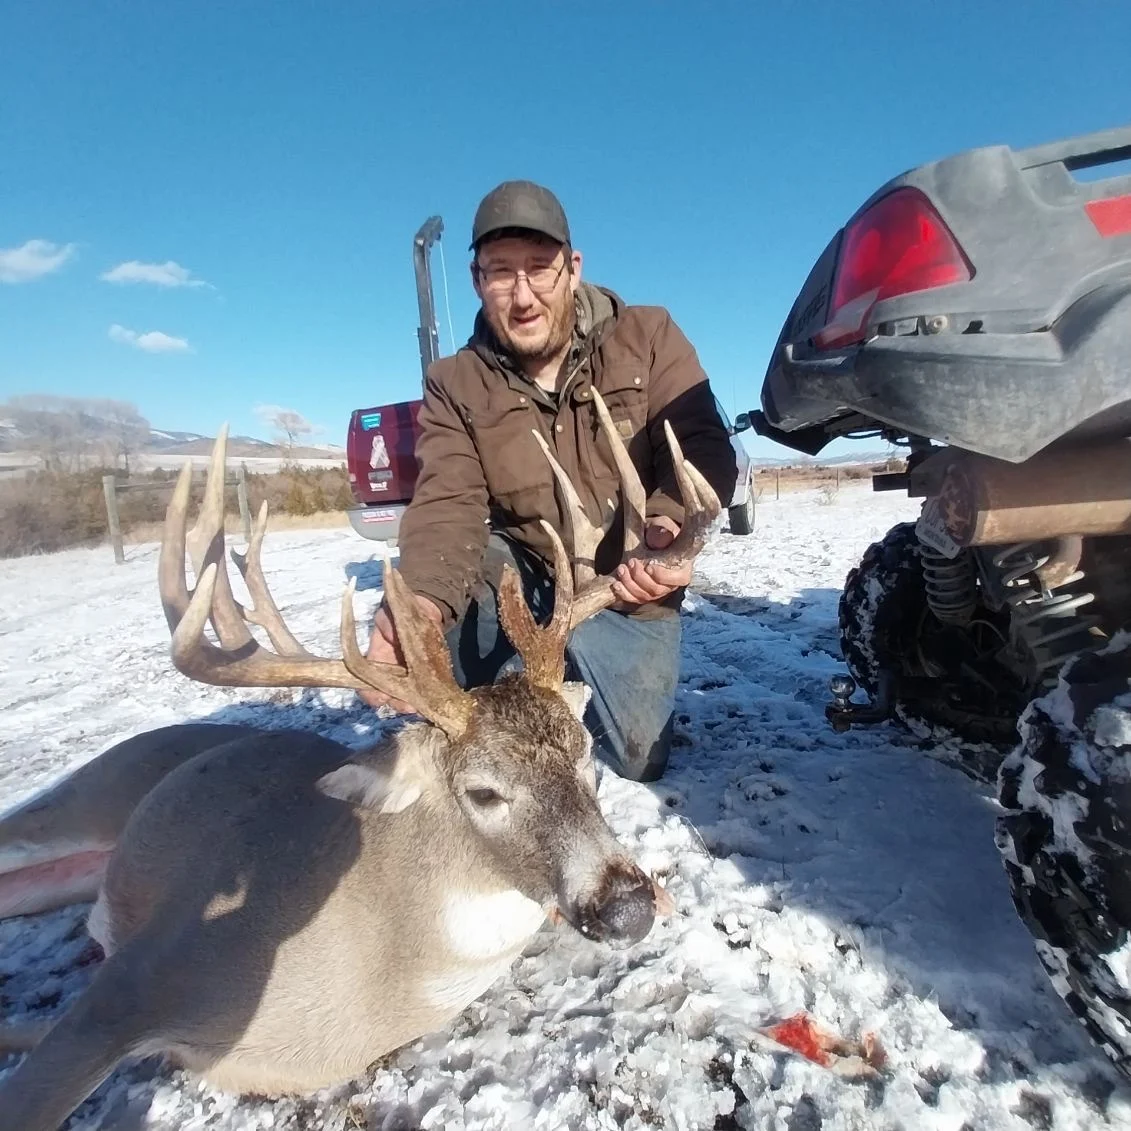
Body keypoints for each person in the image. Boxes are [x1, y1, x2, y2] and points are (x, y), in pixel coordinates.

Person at [362, 179, 737, 782]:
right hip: (520, 570)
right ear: (477, 279)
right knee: (437, 689)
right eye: (501, 273)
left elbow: (701, 443)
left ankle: (558, 674)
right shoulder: (455, 382)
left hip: (624, 580)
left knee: (638, 758)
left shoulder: (648, 336)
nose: (523, 295)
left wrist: (666, 527)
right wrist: (422, 603)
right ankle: (507, 681)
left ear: (572, 268)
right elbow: (448, 499)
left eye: (540, 269)